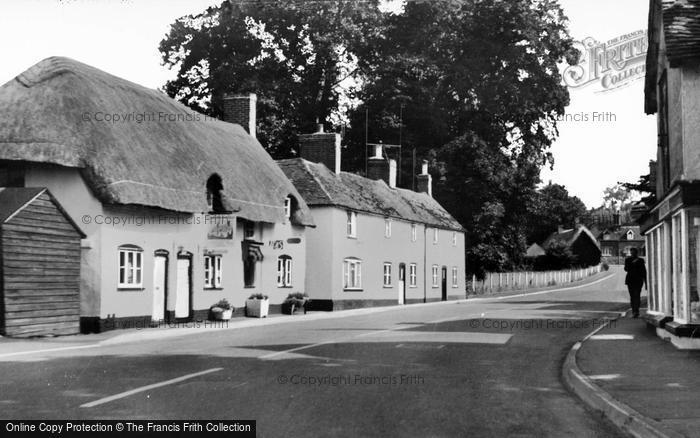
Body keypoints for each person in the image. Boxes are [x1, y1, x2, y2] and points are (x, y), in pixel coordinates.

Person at [624, 248, 647, 318]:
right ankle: (634, 310)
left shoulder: (641, 260)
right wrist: (632, 263)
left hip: (638, 280)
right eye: (631, 253)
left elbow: (644, 271)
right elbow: (626, 269)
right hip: (630, 280)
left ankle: (636, 311)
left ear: (636, 253)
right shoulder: (627, 260)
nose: (632, 254)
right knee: (632, 296)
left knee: (637, 295)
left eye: (634, 253)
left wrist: (646, 283)